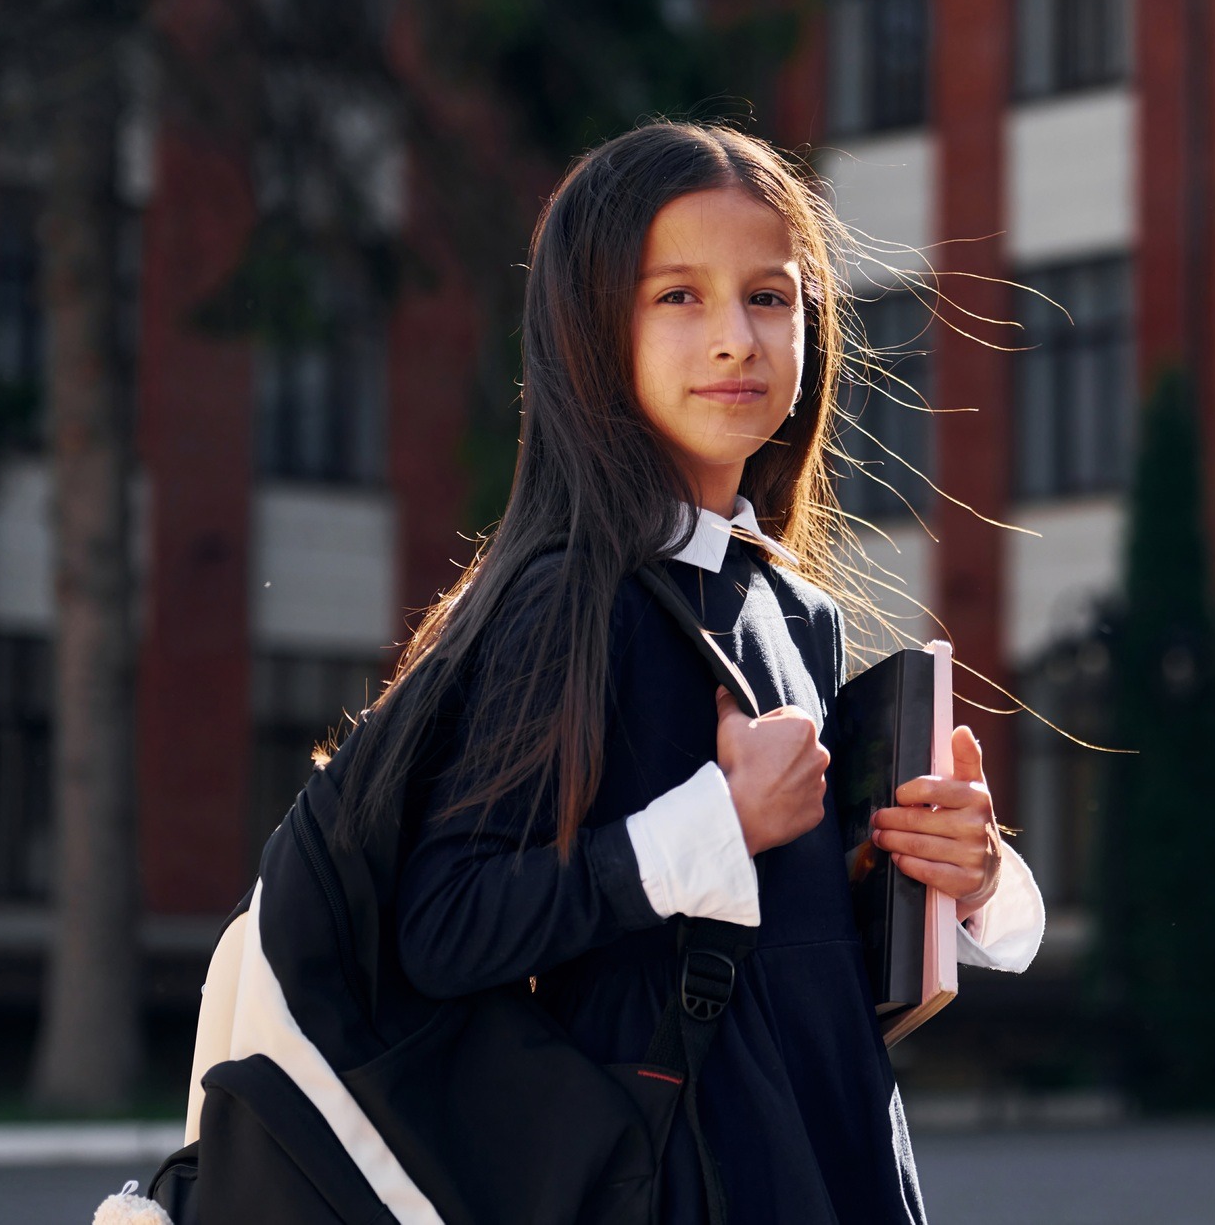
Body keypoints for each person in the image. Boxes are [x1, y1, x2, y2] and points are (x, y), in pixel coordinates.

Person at [336, 120, 1044, 1224]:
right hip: (678, 1171)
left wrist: (961, 875)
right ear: (587, 329)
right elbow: (443, 923)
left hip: (828, 1137)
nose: (735, 339)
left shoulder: (791, 609)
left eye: (771, 296)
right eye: (678, 297)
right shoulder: (565, 600)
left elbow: (800, 946)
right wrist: (711, 825)